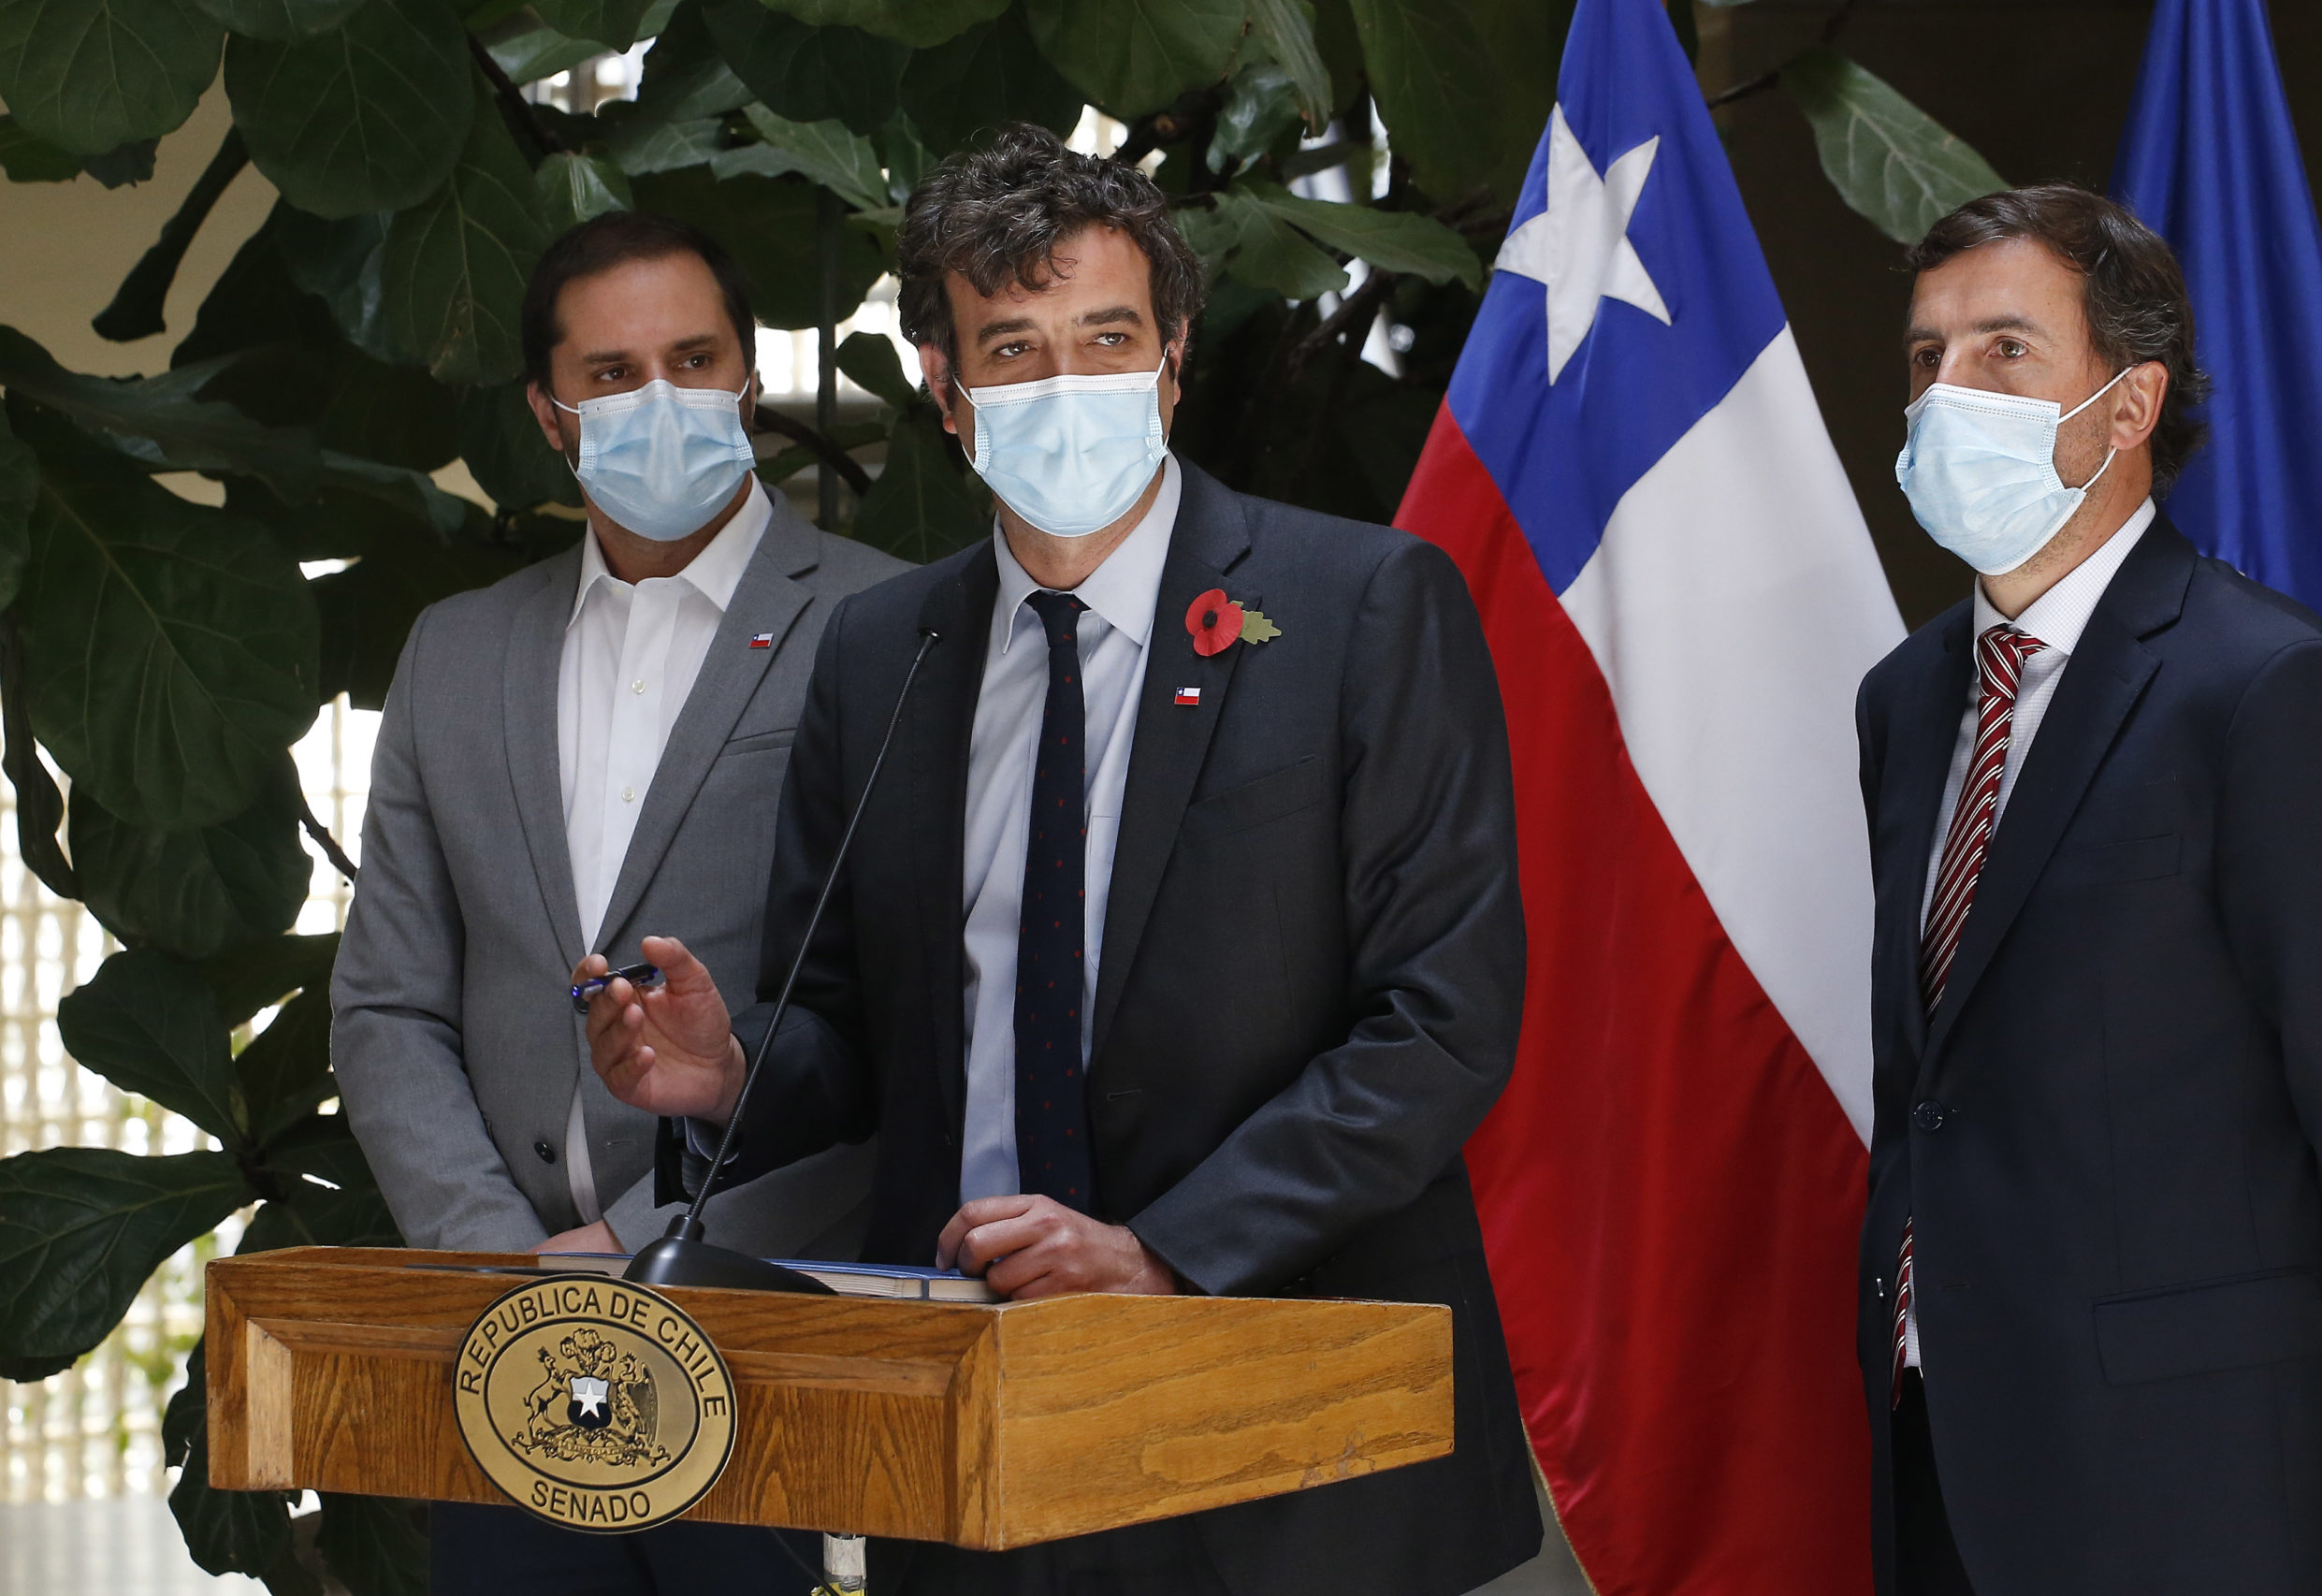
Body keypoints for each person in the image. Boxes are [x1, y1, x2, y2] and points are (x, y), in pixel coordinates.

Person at [579, 125, 1542, 1595]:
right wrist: (725, 1071)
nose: (1069, 382)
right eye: (1016, 350)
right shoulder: (880, 653)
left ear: (1172, 359)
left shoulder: (1363, 609)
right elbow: (855, 1030)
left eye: (1107, 337)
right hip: (969, 1422)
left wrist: (1162, 1250)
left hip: (1287, 1436)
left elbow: (1442, 1019)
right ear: (946, 390)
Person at [329, 210, 907, 1592]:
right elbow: (388, 1005)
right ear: (550, 414)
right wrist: (513, 1270)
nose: (660, 399)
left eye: (693, 360)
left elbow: (921, 1015)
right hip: (514, 1364)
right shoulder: (457, 652)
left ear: (748, 378)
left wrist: (656, 1255)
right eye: (611, 373)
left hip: (786, 1335)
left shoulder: (892, 626)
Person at [1855, 181, 2322, 1595]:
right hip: (1943, 1449)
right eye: (1927, 356)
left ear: (2130, 403)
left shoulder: (2274, 689)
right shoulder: (1906, 698)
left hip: (2208, 1491)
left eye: (2005, 350)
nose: (1949, 393)